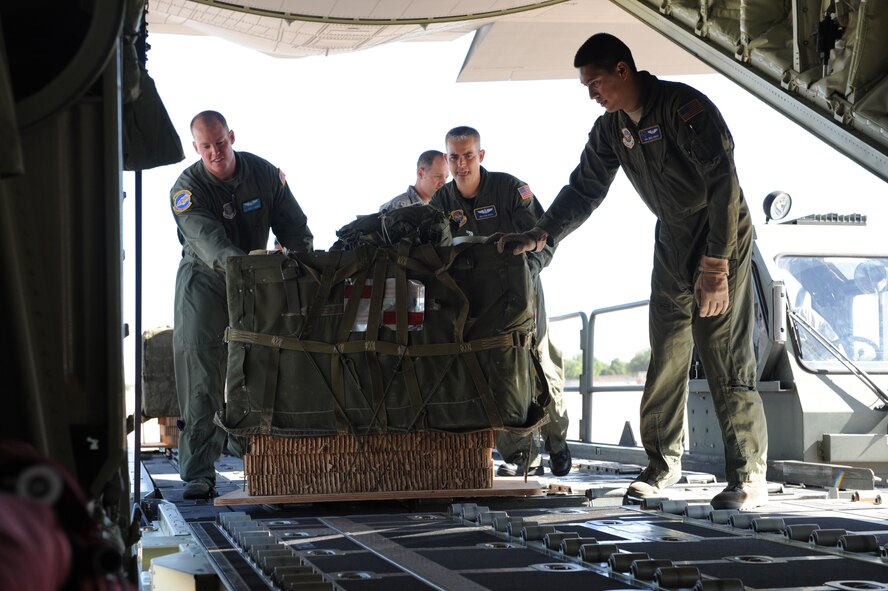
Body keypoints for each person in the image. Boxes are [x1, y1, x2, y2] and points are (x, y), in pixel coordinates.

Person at [496, 33, 768, 510]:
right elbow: (584, 188)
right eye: (586, 86)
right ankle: (662, 465)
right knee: (666, 349)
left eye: (596, 82)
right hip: (671, 237)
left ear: (623, 71)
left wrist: (717, 263)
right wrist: (542, 233)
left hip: (719, 231)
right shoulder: (611, 130)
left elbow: (725, 182)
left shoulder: (685, 108)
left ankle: (747, 475)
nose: (592, 94)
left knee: (722, 351)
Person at [170, 110, 313, 499]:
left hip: (260, 279)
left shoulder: (265, 174)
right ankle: (199, 471)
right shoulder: (186, 189)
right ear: (195, 148)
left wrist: (302, 270)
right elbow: (209, 242)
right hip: (206, 281)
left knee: (268, 366)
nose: (215, 152)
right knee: (202, 370)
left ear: (231, 136)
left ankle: (264, 455)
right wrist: (251, 267)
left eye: (220, 142)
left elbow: (296, 229)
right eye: (206, 147)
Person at [429, 126, 571, 478]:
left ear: (481, 156)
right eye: (454, 157)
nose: (461, 164)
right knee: (496, 373)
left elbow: (544, 238)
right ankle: (521, 453)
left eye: (468, 156)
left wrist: (527, 276)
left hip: (520, 289)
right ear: (447, 160)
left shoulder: (510, 189)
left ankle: (557, 441)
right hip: (474, 302)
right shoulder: (441, 202)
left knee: (541, 361)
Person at [378, 150, 449, 213]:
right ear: (420, 174)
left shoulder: (444, 209)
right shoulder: (395, 208)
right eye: (438, 176)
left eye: (446, 177)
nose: (444, 183)